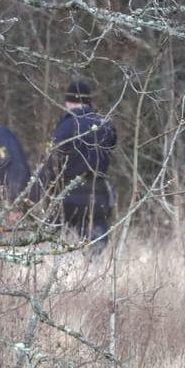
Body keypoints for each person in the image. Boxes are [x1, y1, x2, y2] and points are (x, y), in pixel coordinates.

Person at [47, 80, 117, 251]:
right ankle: (95, 274)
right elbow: (112, 147)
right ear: (89, 102)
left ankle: (63, 276)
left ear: (68, 102)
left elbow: (54, 161)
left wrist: (49, 188)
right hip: (97, 193)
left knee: (56, 246)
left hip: (67, 194)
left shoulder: (65, 126)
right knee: (96, 248)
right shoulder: (106, 124)